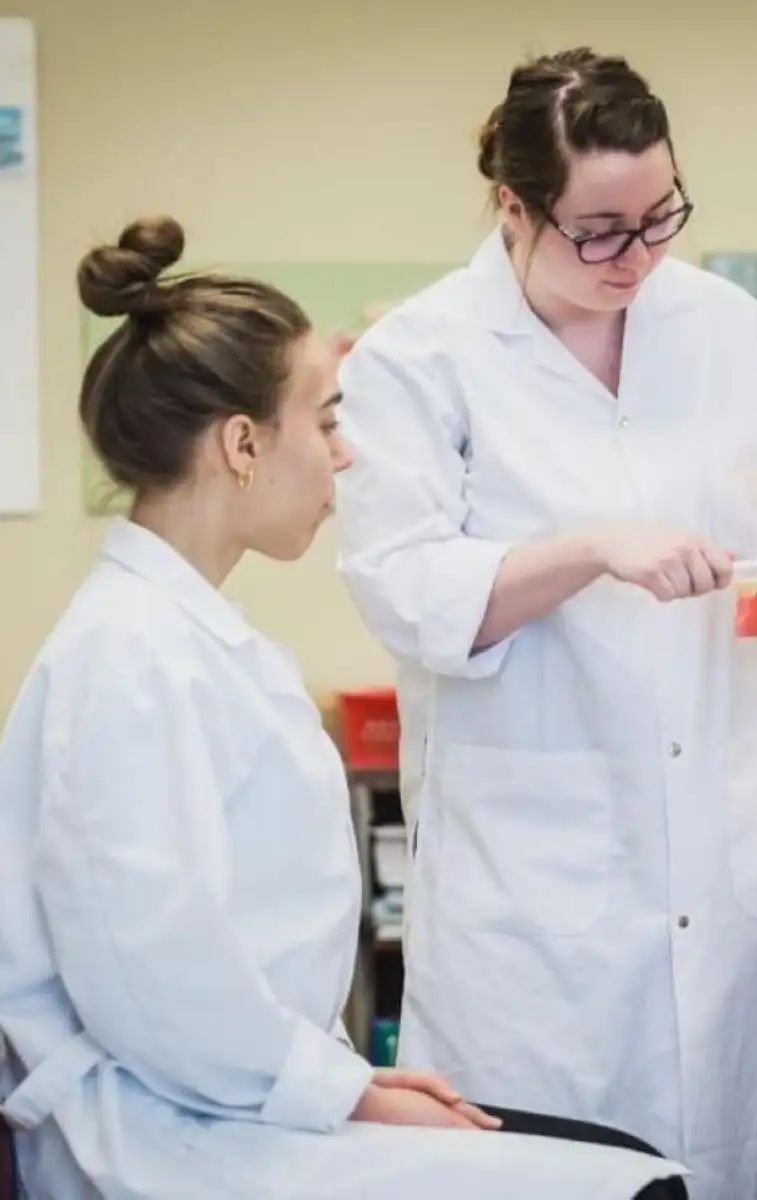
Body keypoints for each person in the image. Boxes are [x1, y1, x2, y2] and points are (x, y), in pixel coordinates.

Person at [0, 217, 689, 1200]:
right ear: (241, 443)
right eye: (324, 420)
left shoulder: (184, 639)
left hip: (230, 1098)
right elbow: (154, 986)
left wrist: (346, 1081)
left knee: (624, 1164)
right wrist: (350, 1093)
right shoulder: (129, 660)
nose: (346, 454)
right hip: (163, 1133)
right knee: (636, 1187)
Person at [335, 47, 757, 1200]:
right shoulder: (422, 357)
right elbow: (405, 593)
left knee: (725, 1162)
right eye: (598, 229)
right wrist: (591, 546)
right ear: (513, 203)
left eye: (658, 216)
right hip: (529, 895)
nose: (637, 255)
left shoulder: (726, 328)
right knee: (548, 1172)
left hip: (708, 852)